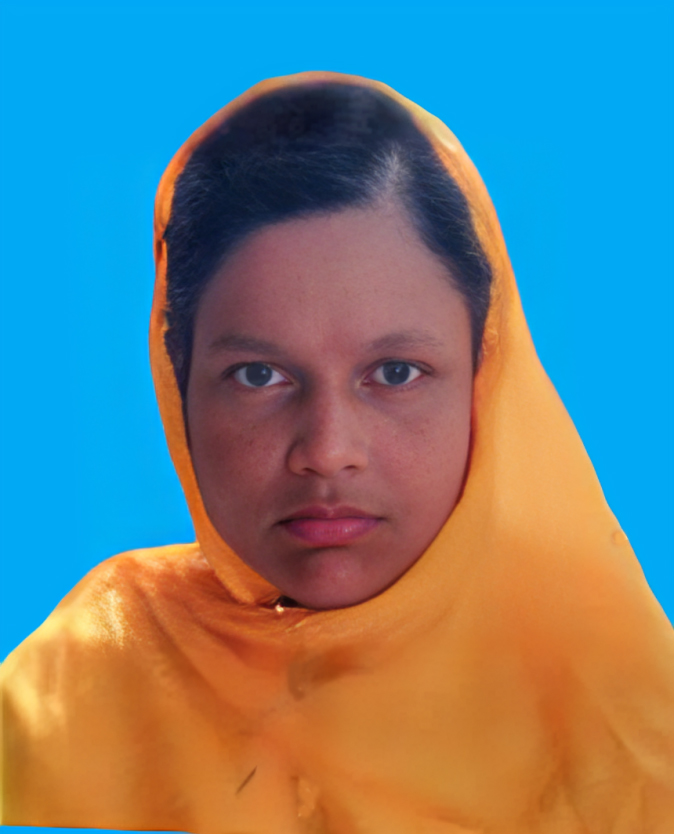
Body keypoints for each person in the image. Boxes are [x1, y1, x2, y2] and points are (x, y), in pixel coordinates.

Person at [2, 71, 673, 832]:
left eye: (396, 373)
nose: (326, 451)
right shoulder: (96, 675)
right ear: (177, 380)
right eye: (259, 375)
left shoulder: (626, 723)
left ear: (485, 377)